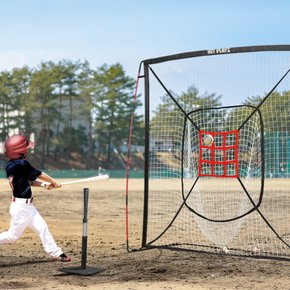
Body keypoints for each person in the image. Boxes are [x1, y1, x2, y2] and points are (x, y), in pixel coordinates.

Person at [0, 134, 71, 262]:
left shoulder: (11, 165)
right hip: (21, 208)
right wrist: (54, 181)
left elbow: (29, 181)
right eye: (25, 148)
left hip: (27, 207)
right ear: (20, 151)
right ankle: (56, 252)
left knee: (42, 228)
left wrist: (45, 185)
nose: (27, 150)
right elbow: (40, 174)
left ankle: (56, 252)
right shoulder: (22, 164)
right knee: (12, 237)